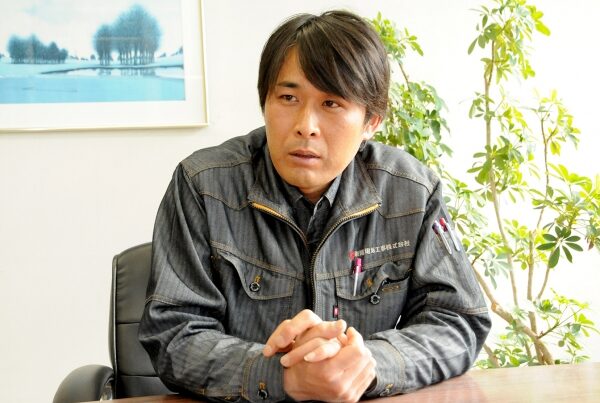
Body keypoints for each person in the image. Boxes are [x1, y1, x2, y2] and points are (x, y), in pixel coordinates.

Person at [139, 9, 490, 403]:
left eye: (331, 103)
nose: (306, 125)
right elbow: (173, 333)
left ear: (371, 121)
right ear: (265, 101)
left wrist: (370, 363)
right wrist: (282, 375)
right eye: (288, 97)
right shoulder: (204, 185)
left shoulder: (411, 193)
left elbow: (458, 319)